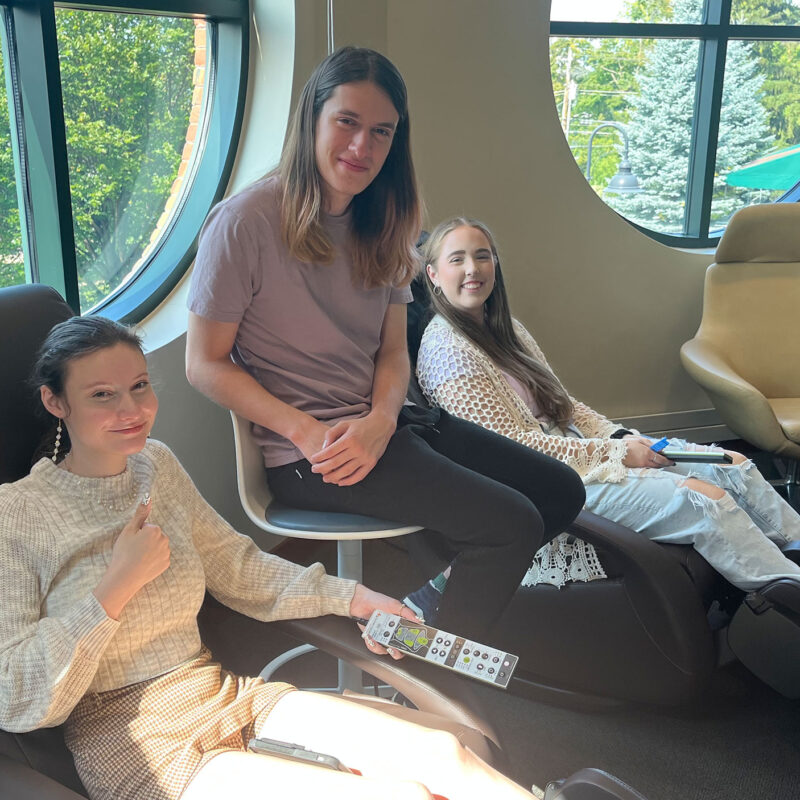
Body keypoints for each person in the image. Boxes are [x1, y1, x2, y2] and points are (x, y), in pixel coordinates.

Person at [0, 315, 541, 800]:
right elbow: (16, 694)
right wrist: (114, 587)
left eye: (140, 386)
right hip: (134, 744)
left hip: (223, 694)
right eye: (102, 395)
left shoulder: (155, 467)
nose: (132, 410)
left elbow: (236, 565)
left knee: (443, 759)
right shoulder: (17, 514)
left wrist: (353, 596)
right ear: (55, 402)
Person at [185, 46, 585, 640]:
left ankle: (419, 615)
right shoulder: (244, 222)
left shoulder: (390, 221)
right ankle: (431, 681)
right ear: (312, 120)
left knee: (559, 490)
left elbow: (393, 353)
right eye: (347, 122)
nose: (361, 148)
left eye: (381, 132)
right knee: (510, 525)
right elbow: (204, 364)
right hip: (312, 455)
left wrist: (380, 417)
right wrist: (304, 429)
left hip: (390, 425)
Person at [415, 216, 800, 599]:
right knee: (704, 500)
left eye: (482, 256)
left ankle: (794, 553)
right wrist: (617, 453)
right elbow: (512, 451)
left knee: (733, 466)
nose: (472, 269)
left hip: (585, 451)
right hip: (547, 482)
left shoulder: (509, 330)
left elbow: (565, 406)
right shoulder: (447, 351)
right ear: (433, 274)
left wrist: (623, 437)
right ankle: (788, 601)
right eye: (457, 259)